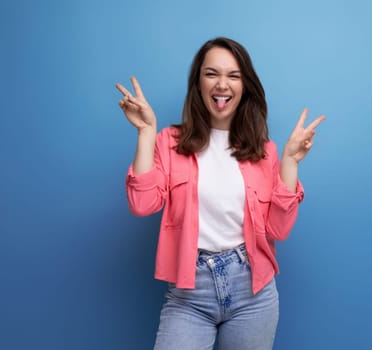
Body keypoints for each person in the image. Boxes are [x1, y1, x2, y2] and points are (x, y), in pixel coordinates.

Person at [116, 37, 325, 350]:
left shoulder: (264, 151)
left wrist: (290, 164)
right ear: (198, 82)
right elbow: (143, 204)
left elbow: (277, 230)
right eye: (211, 73)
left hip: (253, 292)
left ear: (245, 86)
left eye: (234, 76)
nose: (222, 84)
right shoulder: (169, 141)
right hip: (189, 293)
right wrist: (146, 134)